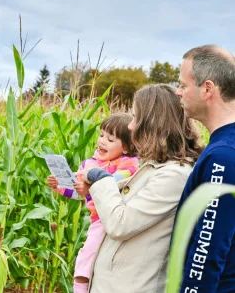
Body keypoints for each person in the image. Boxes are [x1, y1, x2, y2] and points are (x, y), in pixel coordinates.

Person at [73, 84, 203, 293]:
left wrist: (98, 175)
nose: (131, 126)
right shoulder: (157, 167)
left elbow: (120, 223)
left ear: (154, 123)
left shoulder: (174, 175)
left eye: (135, 118)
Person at [47, 113, 140, 293]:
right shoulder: (89, 164)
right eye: (101, 135)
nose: (102, 141)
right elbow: (78, 193)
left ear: (127, 148)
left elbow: (111, 181)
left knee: (86, 257)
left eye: (110, 139)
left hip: (113, 217)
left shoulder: (129, 163)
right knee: (86, 259)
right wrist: (59, 186)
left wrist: (89, 185)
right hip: (97, 220)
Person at [174, 45, 235, 292]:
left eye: (183, 85)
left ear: (207, 89)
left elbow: (207, 249)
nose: (178, 92)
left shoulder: (223, 156)